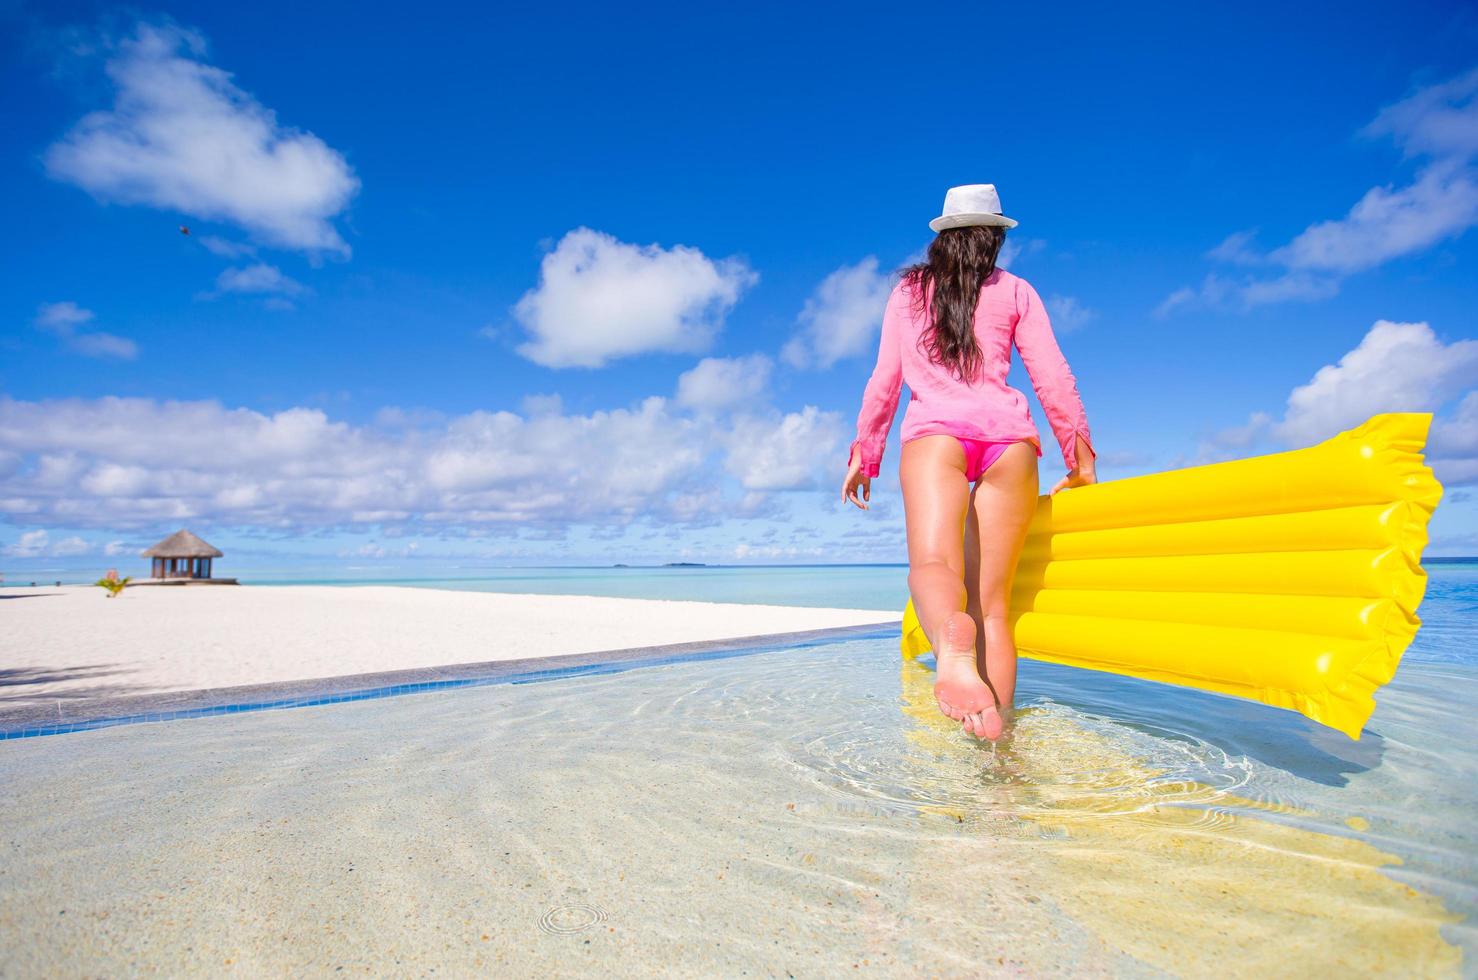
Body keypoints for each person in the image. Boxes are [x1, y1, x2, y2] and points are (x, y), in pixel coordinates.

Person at [842, 184, 1096, 742]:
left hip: (936, 435)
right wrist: (1080, 458)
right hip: (1010, 441)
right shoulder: (1016, 290)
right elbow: (1054, 376)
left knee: (934, 566)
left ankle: (950, 649)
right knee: (994, 610)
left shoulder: (909, 293)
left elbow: (885, 379)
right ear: (995, 238)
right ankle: (997, 749)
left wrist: (866, 452)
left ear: (943, 237)